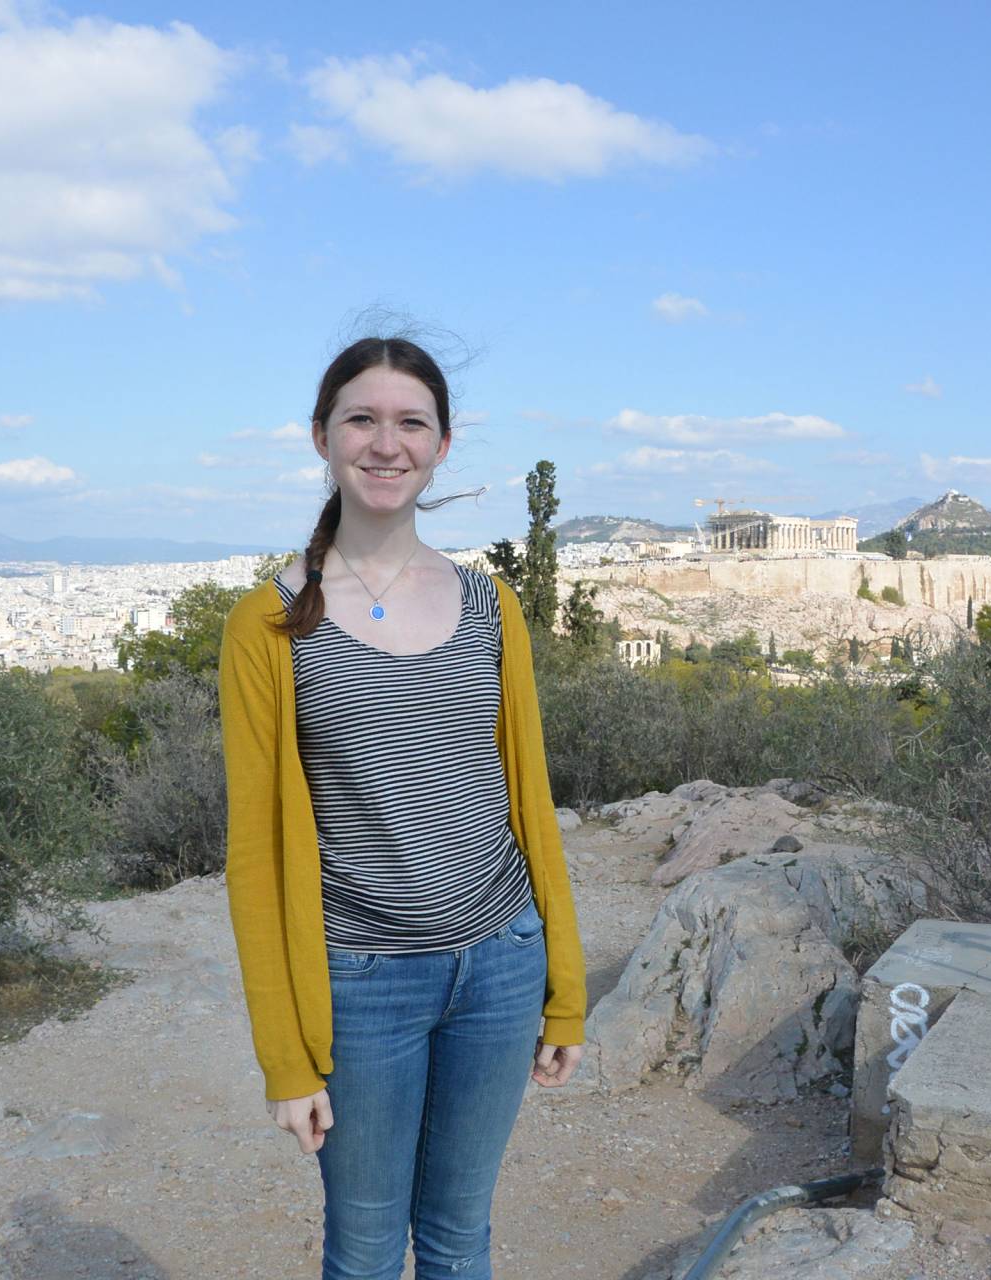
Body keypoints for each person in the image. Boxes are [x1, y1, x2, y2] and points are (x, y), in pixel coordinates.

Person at [218, 334, 587, 1280]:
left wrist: (564, 994)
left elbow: (529, 801)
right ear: (322, 437)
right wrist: (285, 1058)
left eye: (411, 423)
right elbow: (255, 854)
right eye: (363, 420)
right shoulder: (268, 622)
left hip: (500, 966)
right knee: (367, 1248)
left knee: (462, 1235)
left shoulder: (490, 603)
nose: (387, 444)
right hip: (359, 983)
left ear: (442, 444)